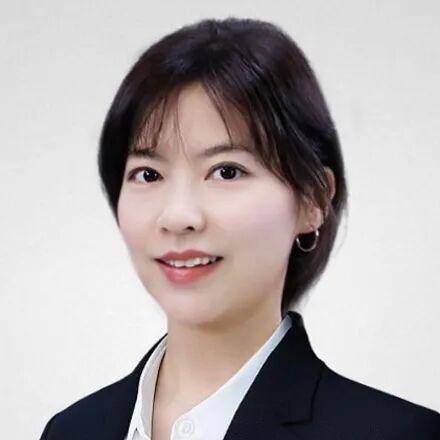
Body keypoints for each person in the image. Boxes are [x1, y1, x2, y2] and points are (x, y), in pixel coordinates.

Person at [39, 17, 439, 440]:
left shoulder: (400, 434)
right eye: (148, 174)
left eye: (226, 171)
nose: (178, 216)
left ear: (313, 200)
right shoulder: (71, 431)